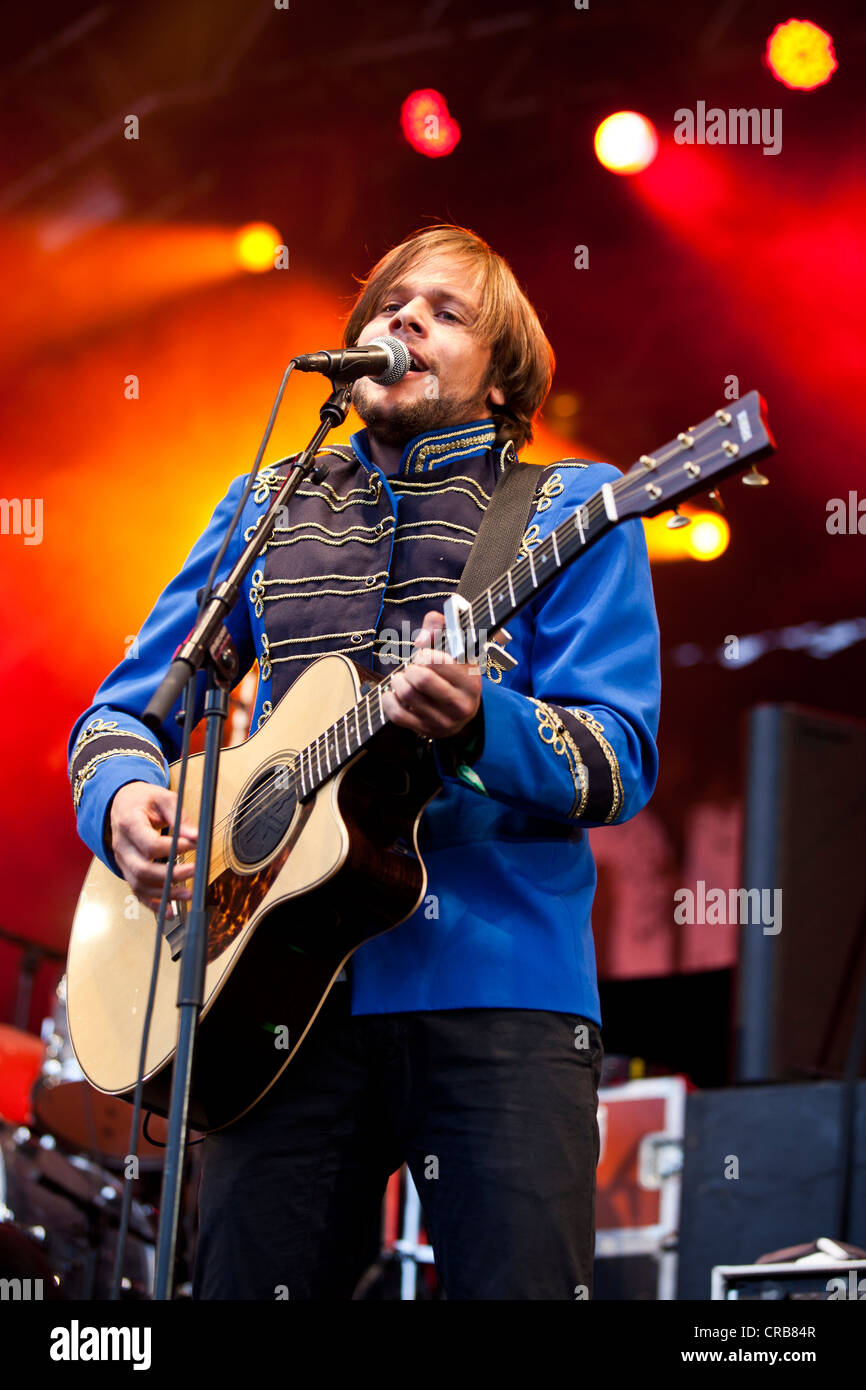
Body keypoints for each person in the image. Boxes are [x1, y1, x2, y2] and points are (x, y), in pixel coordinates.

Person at [68, 223, 661, 1300]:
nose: (402, 320)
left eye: (444, 312)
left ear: (500, 379)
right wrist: (125, 802)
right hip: (269, 1003)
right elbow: (125, 710)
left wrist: (485, 723)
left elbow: (617, 760)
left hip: (499, 995)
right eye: (389, 304)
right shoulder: (265, 504)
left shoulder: (571, 511)